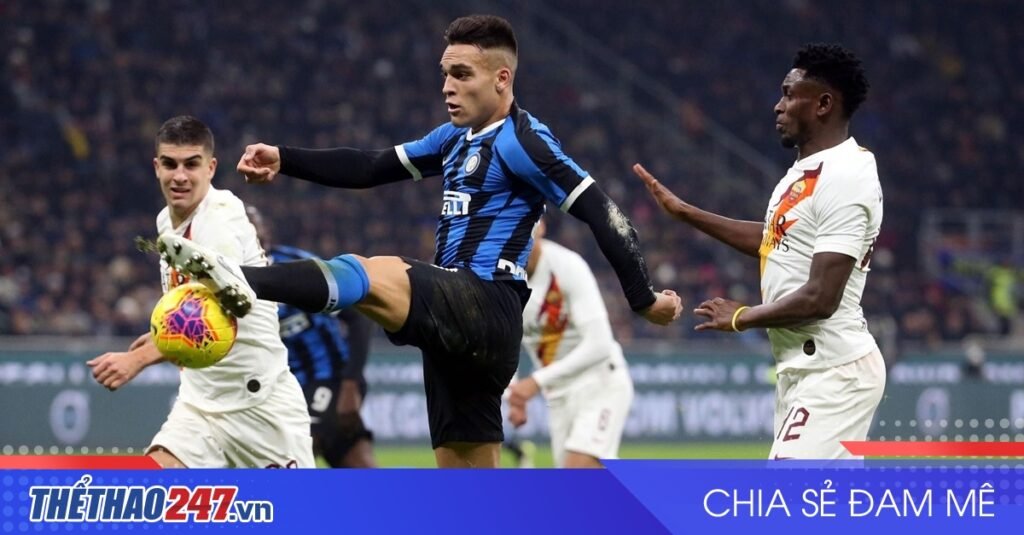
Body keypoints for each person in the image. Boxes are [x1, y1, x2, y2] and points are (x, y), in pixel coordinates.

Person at [157, 14, 682, 468]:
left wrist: (643, 299)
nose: (447, 87)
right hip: (458, 333)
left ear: (502, 79)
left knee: (368, 271)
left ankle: (238, 278)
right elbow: (370, 167)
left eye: (462, 74)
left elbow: (603, 211)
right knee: (466, 491)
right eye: (445, 74)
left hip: (486, 302)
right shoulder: (453, 138)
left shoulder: (523, 140)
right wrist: (286, 158)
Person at [634, 43, 885, 460]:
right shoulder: (805, 173)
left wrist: (741, 317)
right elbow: (775, 241)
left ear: (823, 104)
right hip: (802, 368)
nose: (778, 106)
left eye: (789, 94)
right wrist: (685, 213)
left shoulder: (846, 177)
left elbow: (822, 298)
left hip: (835, 370)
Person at [88, 116, 314, 468]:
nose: (179, 175)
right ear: (156, 167)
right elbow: (184, 306)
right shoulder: (166, 222)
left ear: (210, 168)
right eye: (170, 164)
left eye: (191, 164)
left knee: (299, 506)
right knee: (154, 490)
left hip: (259, 406)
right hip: (199, 405)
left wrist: (138, 359)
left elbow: (209, 318)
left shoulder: (219, 221)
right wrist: (157, 335)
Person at [246, 205, 377, 468]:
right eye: (241, 229)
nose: (251, 234)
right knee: (356, 462)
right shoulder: (227, 285)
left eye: (254, 226)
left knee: (296, 449)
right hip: (283, 390)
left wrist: (351, 383)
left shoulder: (297, 267)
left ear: (266, 232)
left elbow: (357, 316)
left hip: (330, 377)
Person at [507, 219, 634, 468]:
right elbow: (505, 342)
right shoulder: (503, 278)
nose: (519, 244)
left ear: (541, 228)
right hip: (558, 397)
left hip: (599, 382)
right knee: (580, 485)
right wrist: (514, 395)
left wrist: (536, 382)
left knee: (577, 471)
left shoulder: (567, 266)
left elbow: (600, 343)